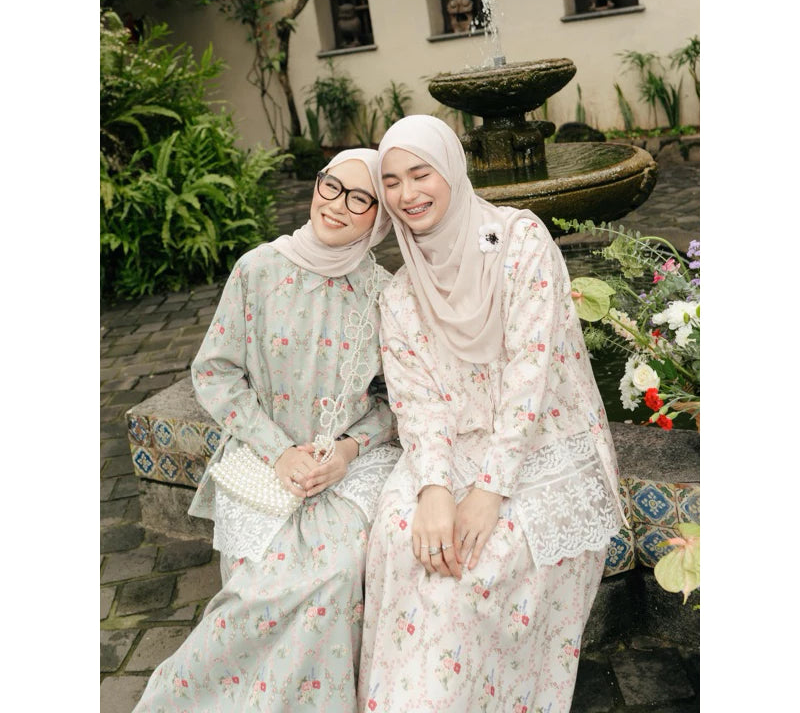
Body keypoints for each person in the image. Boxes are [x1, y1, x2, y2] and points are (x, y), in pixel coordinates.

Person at [357, 117, 624, 712]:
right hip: (448, 451)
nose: (408, 194)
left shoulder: (522, 244)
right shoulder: (400, 292)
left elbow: (532, 377)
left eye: (421, 174)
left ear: (452, 169)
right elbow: (417, 403)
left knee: (477, 570)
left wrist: (489, 491)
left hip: (542, 439)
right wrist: (432, 489)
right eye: (393, 181)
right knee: (403, 541)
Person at [134, 149, 401, 712]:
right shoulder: (258, 269)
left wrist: (348, 450)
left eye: (360, 198)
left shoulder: (384, 291)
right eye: (332, 186)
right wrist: (279, 452)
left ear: (378, 216)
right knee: (257, 592)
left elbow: (395, 402)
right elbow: (215, 372)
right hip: (262, 455)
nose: (338, 205)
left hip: (345, 467)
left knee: (336, 574)